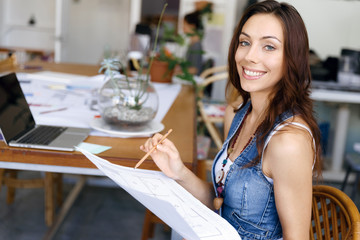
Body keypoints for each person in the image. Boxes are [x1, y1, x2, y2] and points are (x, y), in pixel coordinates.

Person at [140, 0, 322, 239]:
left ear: (292, 58)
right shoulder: (238, 113)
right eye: (245, 42)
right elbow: (221, 202)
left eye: (269, 47)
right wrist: (179, 171)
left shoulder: (288, 142)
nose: (249, 56)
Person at [182, 10, 204, 75]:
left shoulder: (196, 45)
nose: (183, 27)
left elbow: (194, 70)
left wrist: (178, 72)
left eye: (185, 24)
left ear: (192, 26)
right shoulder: (192, 42)